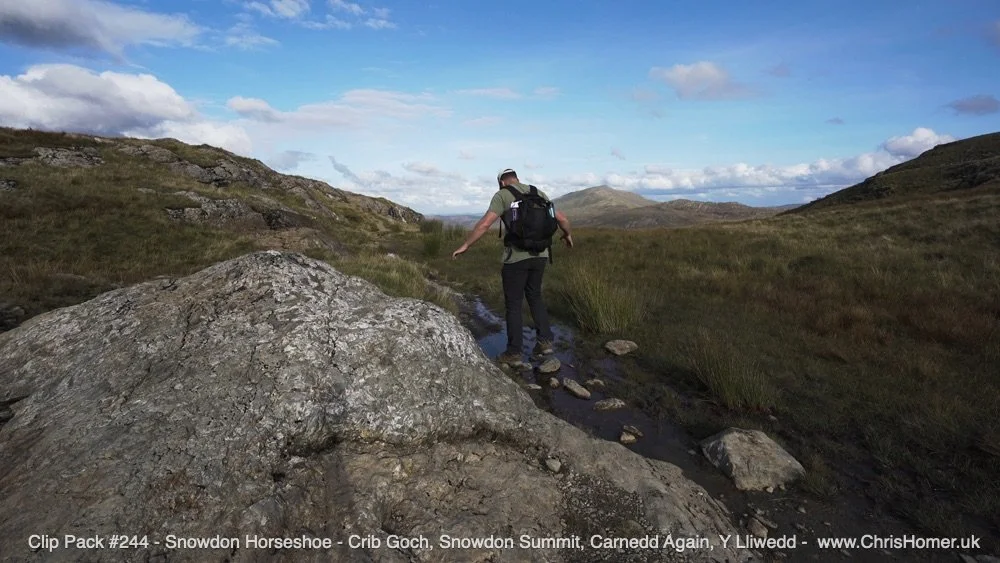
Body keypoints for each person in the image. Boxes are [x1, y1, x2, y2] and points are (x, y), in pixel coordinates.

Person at [452, 168, 573, 365]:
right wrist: (567, 235)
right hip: (541, 255)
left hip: (516, 258)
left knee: (514, 304)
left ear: (501, 182)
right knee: (535, 296)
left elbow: (484, 224)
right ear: (516, 178)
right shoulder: (538, 193)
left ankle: (514, 353)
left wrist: (466, 245)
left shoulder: (503, 195)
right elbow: (562, 218)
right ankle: (545, 343)